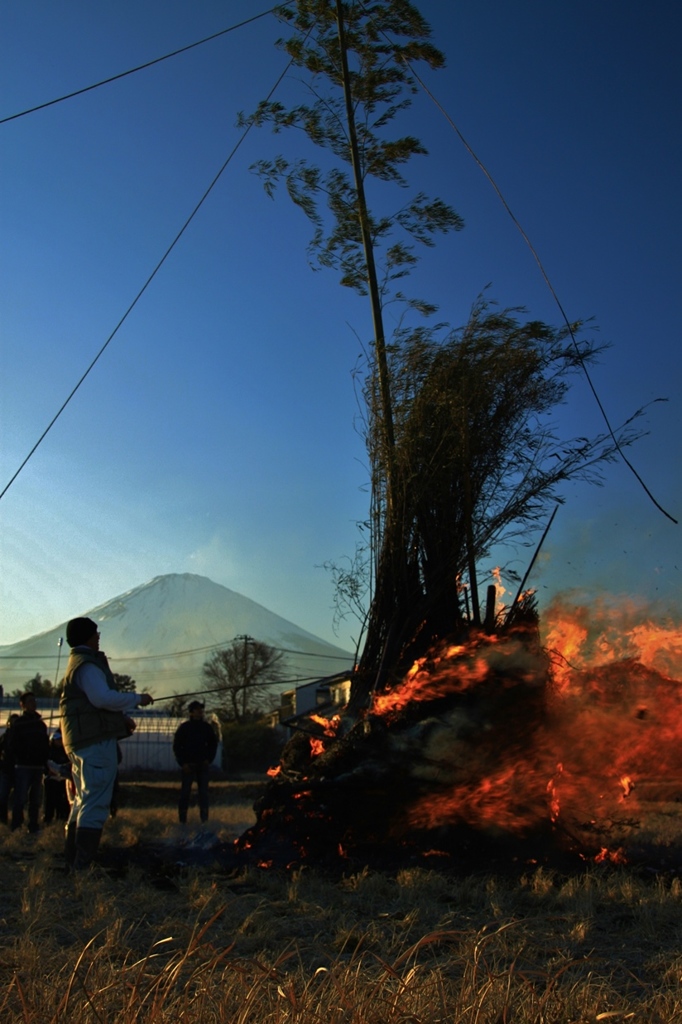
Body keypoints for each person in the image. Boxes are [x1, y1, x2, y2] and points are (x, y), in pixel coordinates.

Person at [60, 616, 153, 869]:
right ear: (88, 636)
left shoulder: (76, 663)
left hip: (80, 742)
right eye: (96, 633)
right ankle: (82, 865)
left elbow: (92, 706)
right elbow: (102, 698)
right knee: (96, 800)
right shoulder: (87, 665)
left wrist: (120, 720)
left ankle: (73, 861)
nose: (98, 637)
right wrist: (137, 699)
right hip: (94, 744)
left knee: (82, 800)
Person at [8, 693, 50, 833]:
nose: (33, 703)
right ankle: (17, 825)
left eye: (34, 700)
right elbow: (12, 744)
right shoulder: (20, 724)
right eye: (30, 701)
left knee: (35, 799)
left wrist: (44, 761)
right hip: (23, 765)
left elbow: (45, 745)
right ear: (23, 705)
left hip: (38, 766)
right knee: (20, 798)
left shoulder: (41, 725)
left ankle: (33, 825)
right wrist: (21, 756)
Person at [172, 701, 218, 824]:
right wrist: (183, 763)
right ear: (191, 712)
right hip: (188, 765)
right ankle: (182, 820)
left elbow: (213, 744)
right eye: (197, 710)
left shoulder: (206, 727)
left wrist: (209, 759)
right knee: (185, 794)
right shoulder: (185, 728)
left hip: (202, 765)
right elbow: (177, 746)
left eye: (201, 710)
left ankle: (204, 820)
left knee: (203, 794)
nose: (200, 712)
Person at [44, 728, 72, 824]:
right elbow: (46, 763)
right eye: (57, 740)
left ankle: (62, 817)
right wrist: (49, 771)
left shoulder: (65, 751)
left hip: (63, 779)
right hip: (51, 779)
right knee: (50, 800)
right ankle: (48, 819)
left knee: (63, 800)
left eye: (60, 740)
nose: (59, 742)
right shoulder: (49, 751)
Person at [0, 713, 19, 825]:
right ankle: (3, 819)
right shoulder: (5, 736)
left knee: (18, 798)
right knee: (3, 796)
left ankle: (16, 821)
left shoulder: (22, 736)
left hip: (19, 769)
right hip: (6, 770)